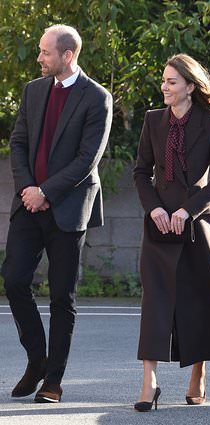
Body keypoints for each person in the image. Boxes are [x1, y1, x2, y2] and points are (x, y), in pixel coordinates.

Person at [2, 24, 112, 403]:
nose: (38, 58)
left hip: (69, 208)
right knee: (14, 280)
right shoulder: (33, 90)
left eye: (45, 52)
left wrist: (46, 191)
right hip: (29, 205)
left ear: (67, 55)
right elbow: (18, 142)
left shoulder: (97, 97)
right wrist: (30, 190)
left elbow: (88, 158)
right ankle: (37, 360)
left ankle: (53, 380)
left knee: (62, 296)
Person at [131, 53, 210, 412]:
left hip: (197, 225)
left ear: (190, 87)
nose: (164, 87)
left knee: (198, 301)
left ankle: (198, 373)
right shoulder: (152, 121)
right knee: (155, 303)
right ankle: (149, 382)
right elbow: (141, 172)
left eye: (172, 82)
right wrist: (157, 209)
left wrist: (187, 210)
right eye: (163, 80)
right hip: (159, 225)